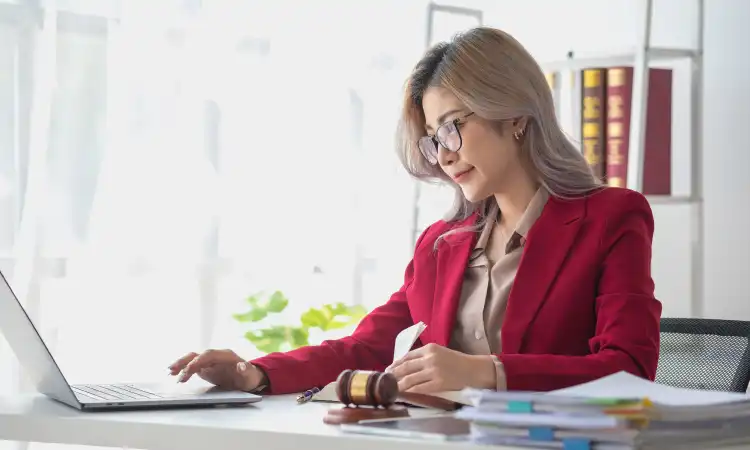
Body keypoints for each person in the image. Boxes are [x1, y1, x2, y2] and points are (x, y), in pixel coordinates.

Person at [168, 27, 661, 395]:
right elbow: (368, 348)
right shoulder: (443, 242)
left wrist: (487, 372)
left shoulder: (611, 218)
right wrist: (253, 372)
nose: (443, 155)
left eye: (452, 127)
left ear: (513, 115)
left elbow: (629, 368)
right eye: (432, 139)